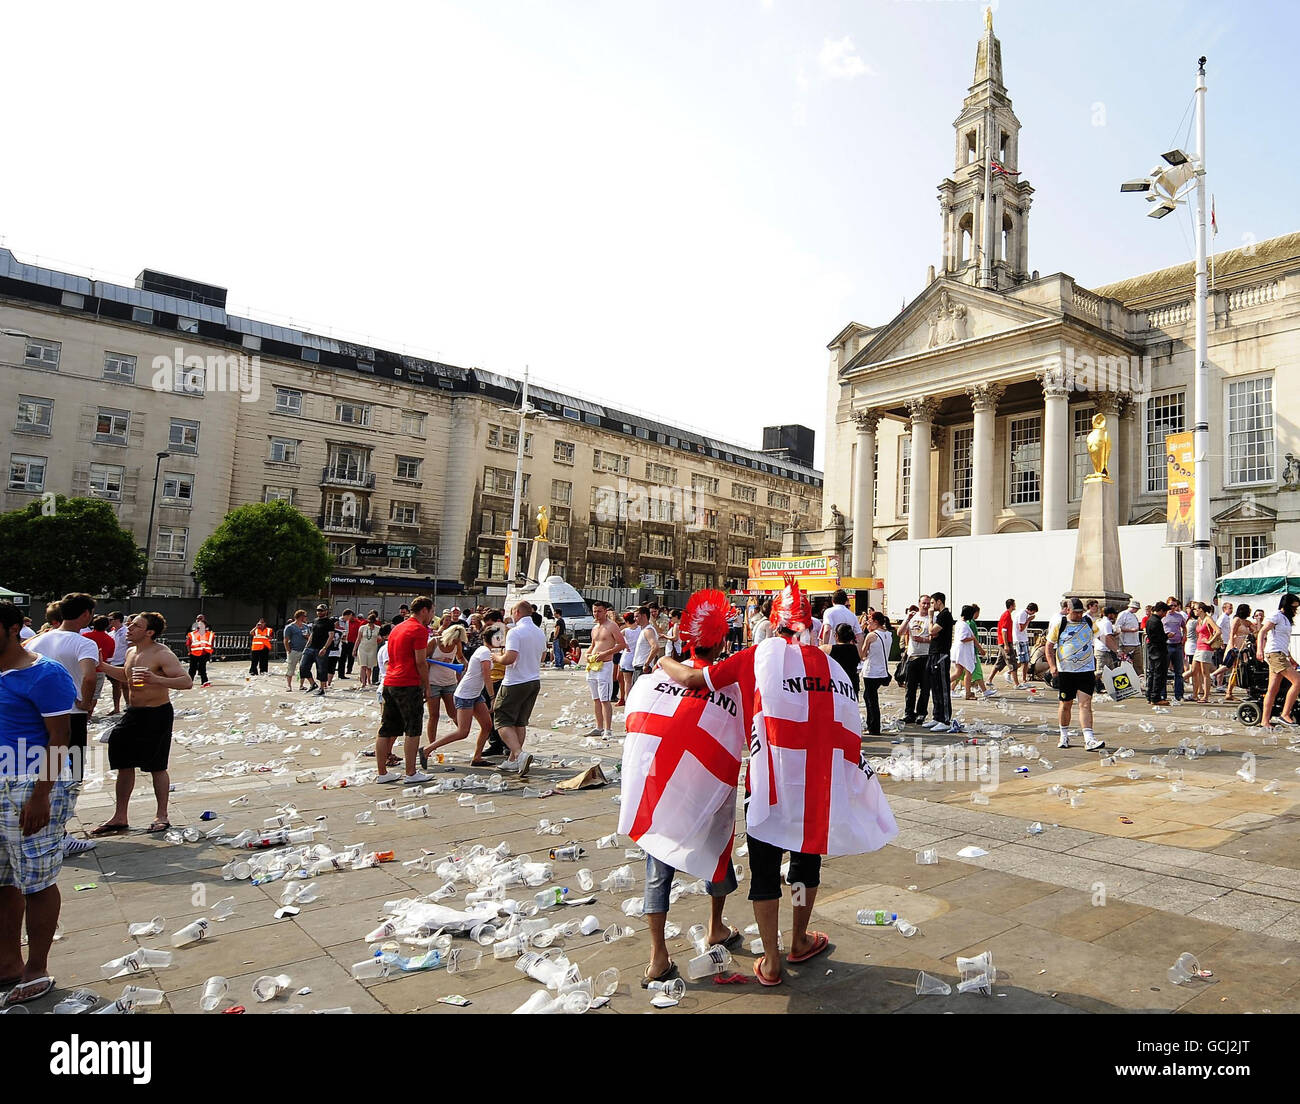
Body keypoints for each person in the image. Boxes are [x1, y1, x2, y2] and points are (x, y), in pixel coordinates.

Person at [658, 576, 898, 987]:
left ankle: (771, 959)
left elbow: (695, 680)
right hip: (815, 784)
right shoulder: (830, 665)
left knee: (765, 870)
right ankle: (801, 937)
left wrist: (665, 660)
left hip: (767, 783)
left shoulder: (755, 656)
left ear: (773, 622)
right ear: (810, 625)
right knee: (805, 863)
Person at [619, 590, 745, 985]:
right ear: (722, 641)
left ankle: (658, 956)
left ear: (688, 639)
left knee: (658, 864)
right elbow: (739, 733)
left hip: (661, 786)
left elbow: (634, 719)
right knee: (717, 849)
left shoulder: (659, 677)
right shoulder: (729, 687)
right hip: (707, 785)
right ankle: (715, 927)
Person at [0, 600, 78, 1009]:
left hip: (30, 782)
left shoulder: (45, 673)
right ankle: (8, 963)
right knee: (3, 879)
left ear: (13, 628)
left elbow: (59, 738)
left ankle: (37, 967)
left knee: (36, 879)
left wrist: (41, 795)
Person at [94, 612, 192, 834]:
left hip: (157, 713)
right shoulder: (130, 651)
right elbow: (126, 675)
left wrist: (156, 679)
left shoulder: (162, 654)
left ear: (150, 632)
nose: (129, 628)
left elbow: (186, 682)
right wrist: (103, 666)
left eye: (136, 625)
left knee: (157, 765)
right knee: (123, 761)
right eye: (130, 624)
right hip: (133, 713)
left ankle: (162, 815)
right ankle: (120, 816)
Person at [25, 594, 100, 857]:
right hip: (70, 714)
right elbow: (89, 676)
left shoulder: (37, 638)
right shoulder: (83, 643)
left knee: (39, 769)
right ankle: (60, 835)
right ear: (86, 615)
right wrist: (85, 701)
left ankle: (41, 830)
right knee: (70, 774)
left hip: (38, 713)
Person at [375, 597, 434, 785]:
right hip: (408, 683)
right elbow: (420, 661)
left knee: (386, 728)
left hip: (390, 681)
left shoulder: (397, 628)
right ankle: (411, 772)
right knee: (413, 728)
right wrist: (427, 685)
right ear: (424, 610)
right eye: (432, 611)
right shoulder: (419, 629)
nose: (433, 615)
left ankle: (382, 773)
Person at [492, 601, 546, 775]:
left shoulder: (515, 632)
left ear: (517, 612)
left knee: (501, 718)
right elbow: (543, 655)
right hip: (533, 680)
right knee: (520, 721)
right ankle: (513, 760)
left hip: (515, 681)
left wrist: (496, 658)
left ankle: (518, 754)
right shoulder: (539, 631)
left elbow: (509, 658)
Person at [428, 631, 496, 764]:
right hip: (465, 695)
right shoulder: (484, 652)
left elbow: (461, 658)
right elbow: (487, 676)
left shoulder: (486, 651)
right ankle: (427, 749)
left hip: (474, 694)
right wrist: (492, 697)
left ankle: (477, 758)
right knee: (462, 732)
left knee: (487, 725)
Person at [1047, 598, 1105, 751]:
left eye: (1080, 612)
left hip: (1086, 670)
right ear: (1068, 610)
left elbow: (1103, 637)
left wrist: (1118, 651)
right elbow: (1049, 646)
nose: (1079, 615)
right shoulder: (1060, 624)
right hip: (1066, 671)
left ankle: (1089, 739)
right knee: (1066, 704)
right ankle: (1064, 735)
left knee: (1085, 704)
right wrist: (1052, 666)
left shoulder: (1088, 621)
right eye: (1075, 613)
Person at [420, 624, 466, 764]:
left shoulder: (457, 644)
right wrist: (424, 685)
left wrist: (467, 666)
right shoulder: (434, 642)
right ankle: (432, 745)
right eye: (455, 640)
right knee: (434, 715)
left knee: (453, 713)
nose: (456, 643)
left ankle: (463, 731)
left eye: (458, 641)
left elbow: (460, 657)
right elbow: (423, 661)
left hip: (449, 682)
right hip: (433, 683)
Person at [1258, 594, 1300, 731]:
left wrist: (1290, 657)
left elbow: (1283, 641)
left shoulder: (1286, 619)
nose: (1295, 610)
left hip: (1280, 653)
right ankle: (1285, 714)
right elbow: (1262, 631)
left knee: (1273, 689)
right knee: (1297, 682)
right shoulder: (1276, 615)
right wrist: (1260, 649)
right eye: (1294, 607)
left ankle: (1265, 720)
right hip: (1274, 654)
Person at [584, 601, 621, 739]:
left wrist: (605, 654)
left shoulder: (611, 626)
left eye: (599, 611)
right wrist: (588, 654)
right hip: (593, 665)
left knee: (605, 698)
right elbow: (593, 645)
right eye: (594, 611)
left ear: (605, 611)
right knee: (596, 698)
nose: (596, 614)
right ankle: (599, 726)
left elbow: (621, 644)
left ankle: (608, 729)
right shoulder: (595, 628)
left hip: (605, 665)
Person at [925, 592, 956, 732]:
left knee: (943, 687)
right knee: (935, 687)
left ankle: (945, 719)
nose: (931, 606)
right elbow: (933, 633)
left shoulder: (945, 615)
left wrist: (931, 617)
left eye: (932, 603)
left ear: (939, 602)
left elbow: (932, 631)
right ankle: (937, 717)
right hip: (934, 653)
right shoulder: (940, 616)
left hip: (941, 654)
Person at [860, 611, 894, 737]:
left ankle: (873, 726)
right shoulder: (889, 634)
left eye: (869, 620)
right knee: (870, 697)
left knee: (870, 699)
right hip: (882, 671)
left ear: (875, 622)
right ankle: (873, 725)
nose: (868, 622)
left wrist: (863, 629)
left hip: (871, 671)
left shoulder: (871, 636)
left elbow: (862, 654)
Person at [903, 595, 934, 727]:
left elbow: (936, 637)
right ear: (919, 604)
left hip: (926, 656)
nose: (926, 606)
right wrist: (907, 618)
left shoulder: (932, 619)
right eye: (924, 603)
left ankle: (921, 713)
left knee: (925, 688)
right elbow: (900, 632)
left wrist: (924, 640)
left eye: (928, 603)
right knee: (910, 687)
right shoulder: (913, 618)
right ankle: (909, 713)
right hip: (912, 656)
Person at [80, 615, 116, 720]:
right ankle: (89, 715)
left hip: (83, 668)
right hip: (100, 669)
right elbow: (109, 658)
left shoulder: (85, 636)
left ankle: (81, 713)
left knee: (81, 691)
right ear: (107, 626)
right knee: (95, 694)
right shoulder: (110, 639)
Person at [822, 622, 864, 702]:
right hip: (852, 682)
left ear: (836, 636)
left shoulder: (828, 649)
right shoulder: (855, 649)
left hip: (837, 684)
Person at [1219, 604, 1253, 702]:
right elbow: (1232, 633)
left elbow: (1256, 631)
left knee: (1242, 669)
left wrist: (1258, 621)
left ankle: (1244, 690)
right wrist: (1232, 646)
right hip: (1236, 646)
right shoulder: (1236, 620)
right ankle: (1229, 692)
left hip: (1243, 647)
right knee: (1235, 669)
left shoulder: (1246, 622)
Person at [1190, 602, 1220, 704]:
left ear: (1201, 610)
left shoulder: (1208, 619)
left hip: (1206, 648)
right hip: (1198, 647)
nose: (1194, 610)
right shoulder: (1199, 620)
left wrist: (1210, 641)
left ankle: (1205, 696)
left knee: (1204, 672)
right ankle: (1195, 694)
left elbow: (1218, 630)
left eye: (1195, 609)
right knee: (1194, 670)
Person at [302, 604, 335, 695]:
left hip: (321, 648)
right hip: (311, 647)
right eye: (318, 610)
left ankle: (322, 688)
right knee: (303, 667)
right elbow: (312, 634)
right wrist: (307, 646)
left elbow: (331, 636)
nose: (319, 612)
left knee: (321, 668)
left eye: (321, 610)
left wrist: (325, 648)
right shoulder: (315, 620)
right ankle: (312, 684)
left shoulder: (329, 622)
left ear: (326, 611)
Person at [950, 604, 981, 700]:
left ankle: (943, 685)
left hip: (960, 651)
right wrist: (972, 638)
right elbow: (963, 638)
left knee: (959, 672)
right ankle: (967, 693)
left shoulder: (960, 623)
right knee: (968, 671)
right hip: (964, 652)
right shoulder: (963, 625)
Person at [989, 598, 1021, 689]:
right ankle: (1017, 684)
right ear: (1011, 605)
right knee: (1012, 661)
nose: (1015, 605)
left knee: (999, 663)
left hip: (1003, 642)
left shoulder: (1006, 615)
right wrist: (1006, 644)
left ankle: (989, 680)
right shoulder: (1006, 615)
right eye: (1014, 604)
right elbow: (1004, 630)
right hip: (1005, 642)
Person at [1145, 602, 1170, 705]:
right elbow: (1159, 638)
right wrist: (1167, 636)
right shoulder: (1156, 621)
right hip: (1158, 650)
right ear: (1160, 611)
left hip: (1152, 649)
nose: (1165, 615)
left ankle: (1149, 695)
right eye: (1164, 612)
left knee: (1152, 673)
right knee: (1158, 674)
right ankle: (1156, 697)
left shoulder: (1149, 620)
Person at [1163, 598, 1188, 703]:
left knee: (1179, 671)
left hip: (1177, 645)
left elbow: (1184, 627)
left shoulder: (1179, 616)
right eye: (1170, 606)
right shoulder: (1163, 617)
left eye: (1174, 605)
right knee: (1163, 671)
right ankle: (1162, 694)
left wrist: (1184, 637)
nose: (1172, 608)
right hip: (1166, 644)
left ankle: (1179, 694)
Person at [631, 606, 660, 684]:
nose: (634, 619)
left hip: (642, 668)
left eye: (637, 616)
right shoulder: (644, 630)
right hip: (639, 668)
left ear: (644, 616)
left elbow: (655, 647)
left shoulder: (648, 630)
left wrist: (646, 664)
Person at [283, 610, 310, 692]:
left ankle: (301, 685)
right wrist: (288, 650)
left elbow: (309, 638)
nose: (306, 618)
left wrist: (307, 636)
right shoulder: (290, 627)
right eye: (305, 616)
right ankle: (289, 685)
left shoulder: (306, 627)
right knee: (291, 668)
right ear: (301, 617)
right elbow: (286, 639)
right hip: (294, 650)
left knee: (303, 668)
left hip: (304, 650)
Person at [617, 611, 639, 707]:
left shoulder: (626, 631)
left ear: (626, 621)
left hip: (627, 656)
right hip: (637, 657)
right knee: (636, 681)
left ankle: (627, 700)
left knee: (627, 682)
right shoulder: (641, 629)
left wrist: (624, 645)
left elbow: (615, 638)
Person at [186, 613, 214, 688]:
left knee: (202, 667)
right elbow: (188, 642)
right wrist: (189, 652)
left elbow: (210, 642)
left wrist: (209, 651)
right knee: (193, 668)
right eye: (198, 619)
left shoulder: (208, 631)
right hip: (194, 652)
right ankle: (190, 681)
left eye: (201, 619)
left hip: (203, 652)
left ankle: (204, 681)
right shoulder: (192, 632)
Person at [355, 612, 382, 689]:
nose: (370, 624)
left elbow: (380, 638)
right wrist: (354, 649)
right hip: (362, 648)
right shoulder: (362, 628)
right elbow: (358, 639)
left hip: (372, 648)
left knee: (369, 667)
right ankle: (363, 682)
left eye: (372, 622)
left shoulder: (378, 628)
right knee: (363, 665)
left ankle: (369, 680)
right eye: (369, 622)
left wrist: (377, 640)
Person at [1115, 600, 1143, 675]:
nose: (1136, 610)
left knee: (1139, 665)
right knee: (1125, 665)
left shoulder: (1134, 616)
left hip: (1136, 642)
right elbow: (1117, 627)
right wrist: (1130, 630)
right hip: (1126, 644)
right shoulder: (1123, 614)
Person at [1013, 601, 1038, 686]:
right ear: (1032, 610)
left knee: (1026, 661)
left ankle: (1024, 680)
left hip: (1023, 639)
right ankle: (1011, 672)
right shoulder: (1023, 614)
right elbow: (1021, 628)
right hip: (1020, 640)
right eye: (1034, 612)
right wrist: (1029, 620)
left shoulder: (1023, 613)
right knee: (1022, 661)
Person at [340, 609, 360, 677]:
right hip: (345, 642)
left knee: (351, 657)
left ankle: (349, 669)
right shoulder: (345, 622)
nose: (351, 618)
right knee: (343, 657)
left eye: (352, 616)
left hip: (353, 642)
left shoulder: (358, 622)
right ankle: (341, 671)